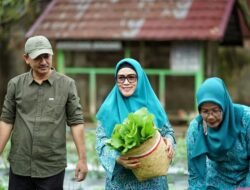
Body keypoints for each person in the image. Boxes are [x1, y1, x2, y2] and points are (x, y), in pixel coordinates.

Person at [0, 35, 88, 190]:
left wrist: (82, 159)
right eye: (37, 57)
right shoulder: (15, 84)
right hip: (20, 165)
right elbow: (7, 120)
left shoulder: (67, 85)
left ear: (52, 55)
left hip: (52, 166)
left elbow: (76, 122)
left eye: (46, 56)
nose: (43, 62)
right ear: (26, 58)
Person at [95, 58, 175, 189]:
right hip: (121, 183)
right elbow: (100, 142)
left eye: (131, 77)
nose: (126, 82)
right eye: (121, 78)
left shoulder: (153, 105)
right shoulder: (108, 109)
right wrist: (117, 158)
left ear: (140, 79)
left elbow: (168, 132)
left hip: (153, 182)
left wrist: (170, 141)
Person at [186, 77, 250, 190]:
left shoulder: (246, 120)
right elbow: (196, 175)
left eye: (215, 110)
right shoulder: (196, 129)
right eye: (205, 111)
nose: (210, 117)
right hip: (216, 182)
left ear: (224, 106)